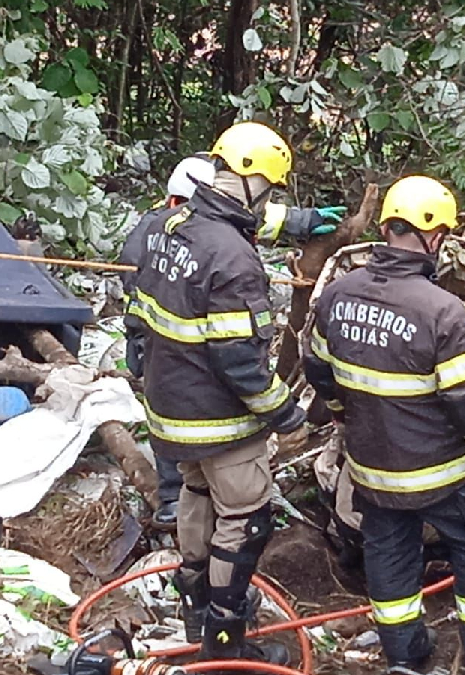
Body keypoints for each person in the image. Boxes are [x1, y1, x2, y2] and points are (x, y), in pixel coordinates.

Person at [303, 175, 465, 675]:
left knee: (389, 555)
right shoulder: (444, 313)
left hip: (372, 470)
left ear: (386, 227)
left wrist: (342, 414)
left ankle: (406, 654)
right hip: (444, 474)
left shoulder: (337, 295)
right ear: (436, 236)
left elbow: (317, 369)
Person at [125, 121, 329, 665]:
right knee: (245, 517)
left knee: (196, 495)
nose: (267, 200)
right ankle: (225, 643)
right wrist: (287, 415)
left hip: (168, 406)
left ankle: (195, 616)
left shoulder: (167, 225)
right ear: (252, 180)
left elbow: (139, 310)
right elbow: (241, 363)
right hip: (219, 419)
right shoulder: (233, 257)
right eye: (268, 189)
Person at [121, 153, 217, 530]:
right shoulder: (155, 233)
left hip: (170, 342)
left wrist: (300, 220)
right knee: (169, 415)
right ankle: (174, 496)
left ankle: (188, 494)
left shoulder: (172, 226)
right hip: (157, 341)